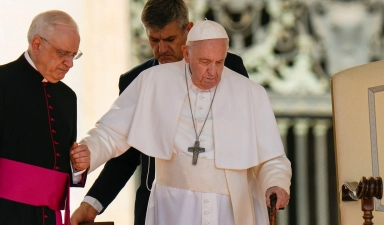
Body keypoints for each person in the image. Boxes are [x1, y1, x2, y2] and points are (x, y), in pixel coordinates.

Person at [74, 19, 291, 225]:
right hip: (173, 206)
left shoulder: (251, 93)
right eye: (205, 62)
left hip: (231, 209)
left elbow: (272, 157)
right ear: (186, 53)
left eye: (219, 62)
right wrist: (89, 152)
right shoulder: (153, 81)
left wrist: (276, 183)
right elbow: (111, 131)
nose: (213, 72)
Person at [0, 10, 90, 225]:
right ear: (37, 44)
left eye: (74, 55)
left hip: (51, 217)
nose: (70, 63)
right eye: (63, 54)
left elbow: (60, 165)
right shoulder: (3, 83)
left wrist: (78, 167)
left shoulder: (68, 97)